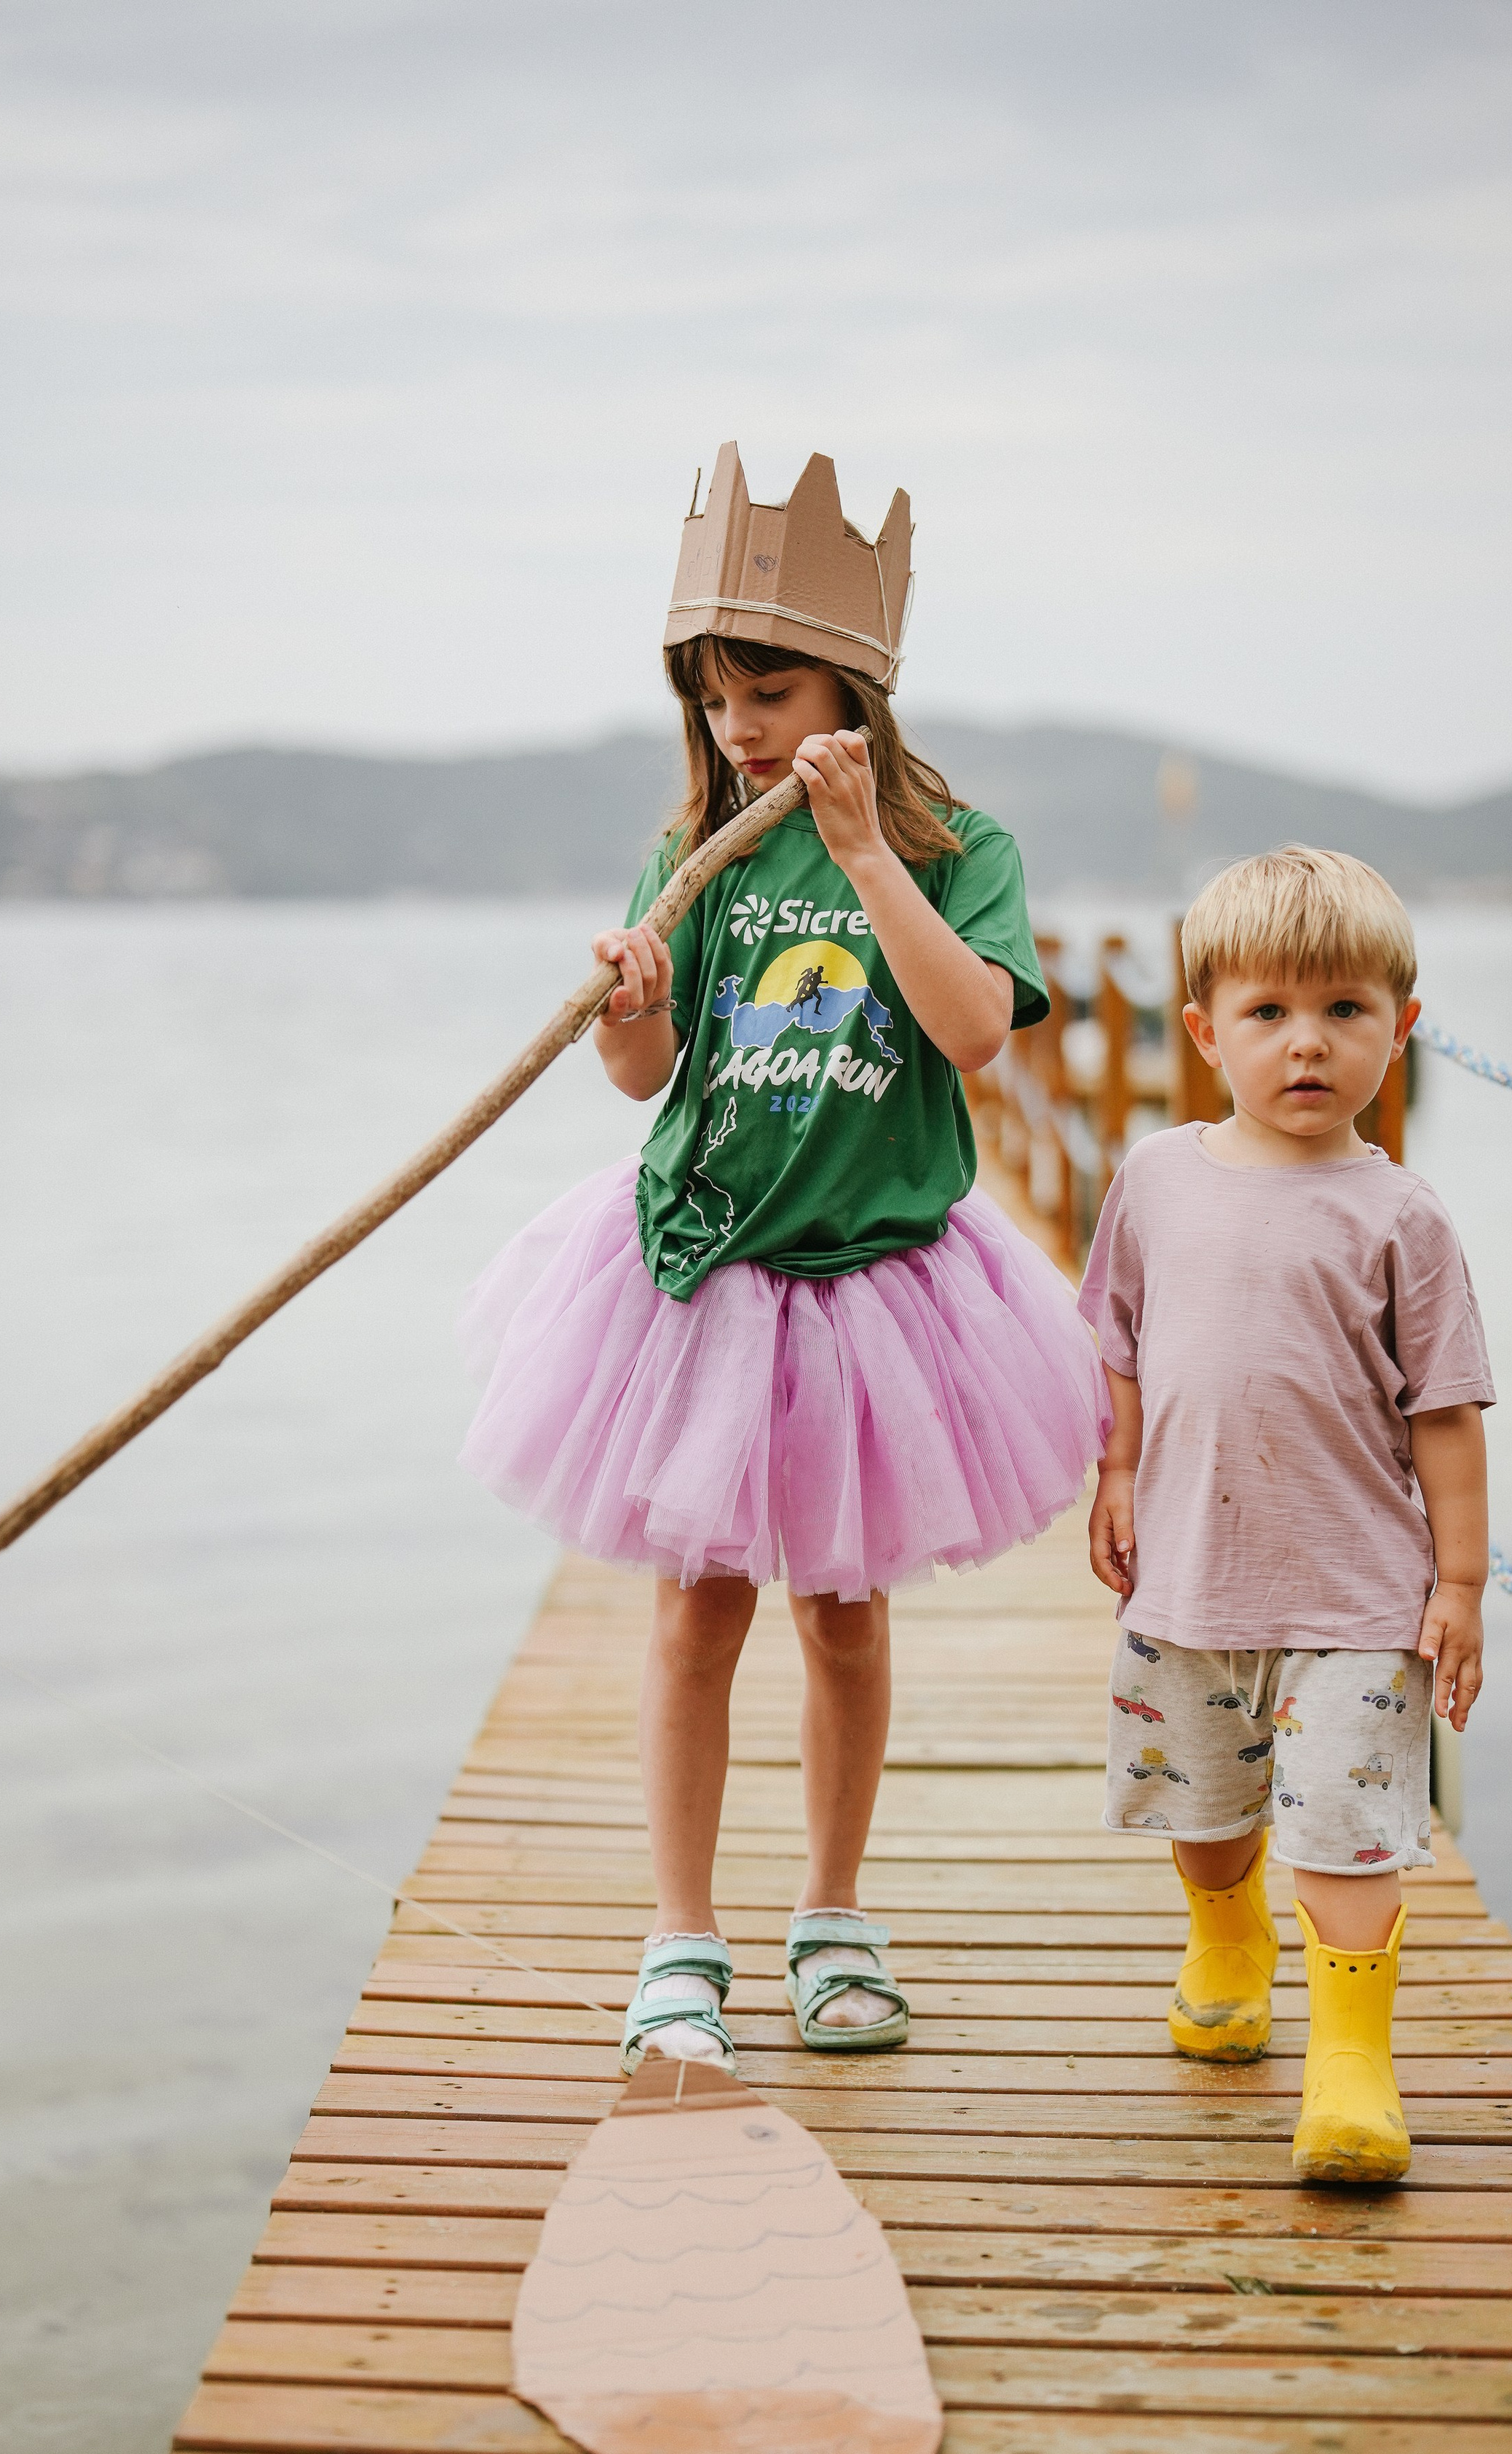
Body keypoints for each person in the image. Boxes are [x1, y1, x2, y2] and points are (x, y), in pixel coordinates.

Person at [462, 444, 1109, 2075]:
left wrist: (868, 854)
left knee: (839, 1612)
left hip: (873, 1277)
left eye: (768, 689)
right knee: (694, 1613)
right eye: (712, 699)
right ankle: (682, 1937)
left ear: (857, 686)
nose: (739, 728)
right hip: (706, 1271)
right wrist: (631, 999)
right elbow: (643, 1074)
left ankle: (832, 1918)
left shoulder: (961, 847)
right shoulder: (695, 843)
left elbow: (970, 1033)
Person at [1078, 846, 1493, 2183]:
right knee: (1207, 1815)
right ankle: (1226, 1941)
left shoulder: (1402, 1216)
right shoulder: (1155, 1178)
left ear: (1401, 1030)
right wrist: (1118, 1473)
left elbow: (1445, 1411)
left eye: (1344, 1013)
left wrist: (1463, 1585)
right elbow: (1124, 1347)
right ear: (1203, 1031)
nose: (1306, 1044)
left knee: (1349, 1826)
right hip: (1191, 1578)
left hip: (1359, 1593)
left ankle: (1352, 2064)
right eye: (1268, 1014)